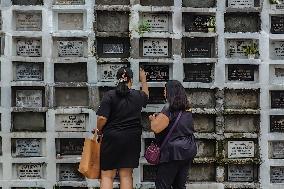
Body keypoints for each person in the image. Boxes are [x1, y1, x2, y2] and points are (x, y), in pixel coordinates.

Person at [96, 67, 149, 189]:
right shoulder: (138, 95)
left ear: (117, 79)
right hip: (131, 139)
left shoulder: (109, 95)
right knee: (126, 175)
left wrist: (99, 130)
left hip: (112, 138)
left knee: (107, 175)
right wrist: (143, 80)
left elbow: (102, 118)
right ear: (130, 80)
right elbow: (146, 95)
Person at [149, 80, 197, 189]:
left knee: (162, 185)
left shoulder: (168, 109)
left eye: (165, 90)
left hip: (172, 152)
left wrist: (152, 119)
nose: (164, 93)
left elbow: (156, 128)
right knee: (179, 185)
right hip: (188, 150)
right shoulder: (187, 108)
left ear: (170, 92)